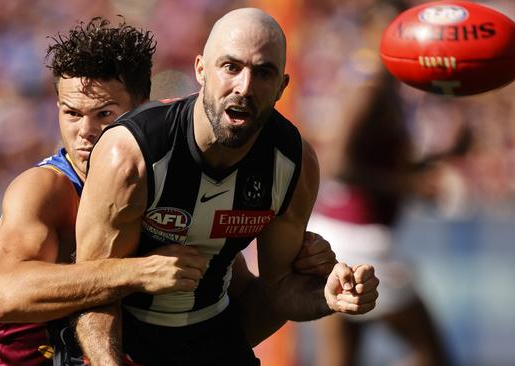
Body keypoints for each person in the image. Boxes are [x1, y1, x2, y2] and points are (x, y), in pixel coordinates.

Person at [0, 16, 337, 366]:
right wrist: (137, 272)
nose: (86, 132)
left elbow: (240, 311)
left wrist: (305, 279)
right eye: (71, 113)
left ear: (140, 114)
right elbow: (3, 295)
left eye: (105, 114)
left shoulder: (160, 184)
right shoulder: (45, 189)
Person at [73, 8, 380, 366]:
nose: (244, 88)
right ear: (201, 70)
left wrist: (326, 295)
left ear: (282, 86)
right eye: (231, 67)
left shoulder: (292, 161)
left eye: (263, 72)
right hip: (124, 340)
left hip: (212, 338)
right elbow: (92, 291)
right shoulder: (132, 154)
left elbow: (279, 290)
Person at [306, 71, 452, 366]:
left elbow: (378, 160)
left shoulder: (391, 94)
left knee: (342, 358)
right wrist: (408, 185)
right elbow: (339, 165)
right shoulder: (369, 92)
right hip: (357, 239)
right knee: (432, 354)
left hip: (344, 236)